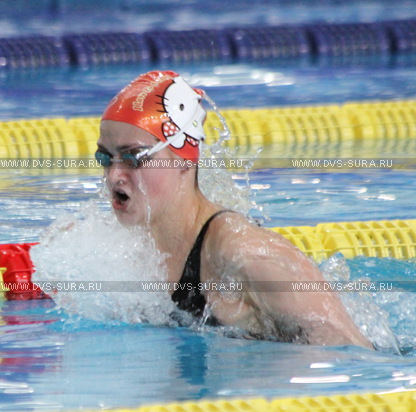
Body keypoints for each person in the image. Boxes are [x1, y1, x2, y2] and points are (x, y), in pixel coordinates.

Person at [95, 70, 372, 348]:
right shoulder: (128, 244)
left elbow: (349, 350)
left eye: (133, 157)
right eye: (105, 157)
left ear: (183, 158)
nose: (113, 175)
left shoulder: (243, 255)